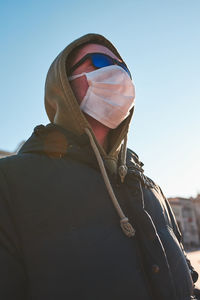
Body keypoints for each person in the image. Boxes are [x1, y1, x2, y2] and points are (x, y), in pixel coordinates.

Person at [0, 33, 199, 300]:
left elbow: (184, 278)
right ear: (63, 85)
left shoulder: (150, 187)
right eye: (100, 61)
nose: (118, 74)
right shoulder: (11, 184)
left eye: (124, 68)